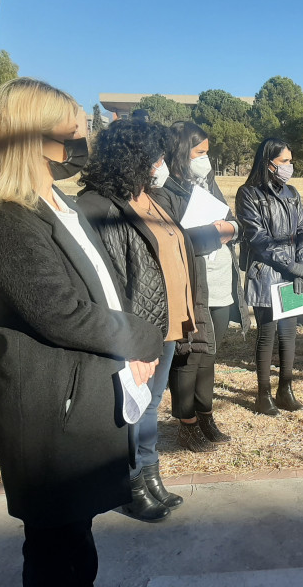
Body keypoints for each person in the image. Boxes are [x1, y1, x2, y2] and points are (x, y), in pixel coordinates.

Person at [0, 78, 163, 585]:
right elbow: (60, 311)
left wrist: (129, 352)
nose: (86, 142)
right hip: (53, 415)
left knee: (80, 545)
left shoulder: (64, 205)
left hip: (90, 400)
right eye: (75, 132)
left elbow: (106, 286)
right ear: (29, 136)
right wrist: (140, 338)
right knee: (57, 555)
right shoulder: (4, 219)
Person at [77, 119, 194, 522]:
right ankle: (129, 485)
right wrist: (127, 338)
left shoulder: (151, 196)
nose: (161, 164)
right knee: (133, 409)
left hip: (167, 322)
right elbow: (104, 278)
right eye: (155, 156)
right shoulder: (99, 206)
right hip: (136, 329)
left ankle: (149, 473)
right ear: (132, 158)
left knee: (150, 407)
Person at [151, 121, 250, 452]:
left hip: (222, 283)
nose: (206, 160)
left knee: (209, 354)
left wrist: (228, 229)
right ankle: (187, 422)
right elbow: (174, 238)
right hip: (192, 286)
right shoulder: (164, 190)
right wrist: (215, 232)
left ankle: (205, 414)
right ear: (181, 152)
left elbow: (235, 223)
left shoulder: (208, 183)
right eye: (200, 153)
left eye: (208, 152)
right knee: (189, 356)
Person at [235, 138, 303, 416]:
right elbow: (258, 239)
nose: (290, 166)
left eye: (290, 161)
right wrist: (291, 266)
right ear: (269, 164)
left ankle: (286, 389)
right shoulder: (248, 194)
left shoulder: (292, 192)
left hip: (293, 271)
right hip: (266, 272)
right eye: (285, 162)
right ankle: (263, 393)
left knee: (289, 334)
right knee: (267, 334)